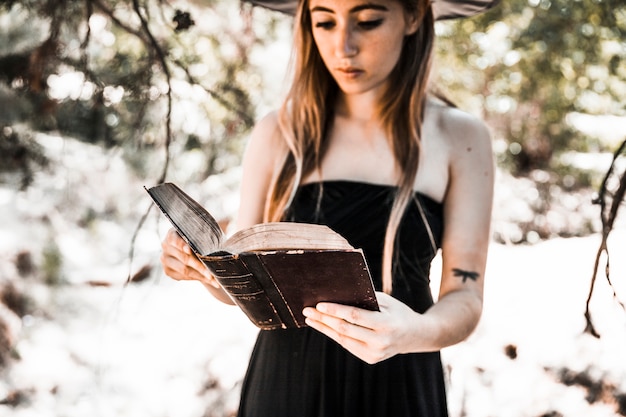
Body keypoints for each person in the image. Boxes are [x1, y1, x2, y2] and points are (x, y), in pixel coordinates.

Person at [160, 0, 496, 415]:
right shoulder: (278, 132)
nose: (344, 45)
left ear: (413, 16)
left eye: (368, 21)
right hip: (286, 382)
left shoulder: (461, 137)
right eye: (324, 22)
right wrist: (203, 270)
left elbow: (465, 295)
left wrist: (414, 332)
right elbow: (244, 284)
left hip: (399, 383)